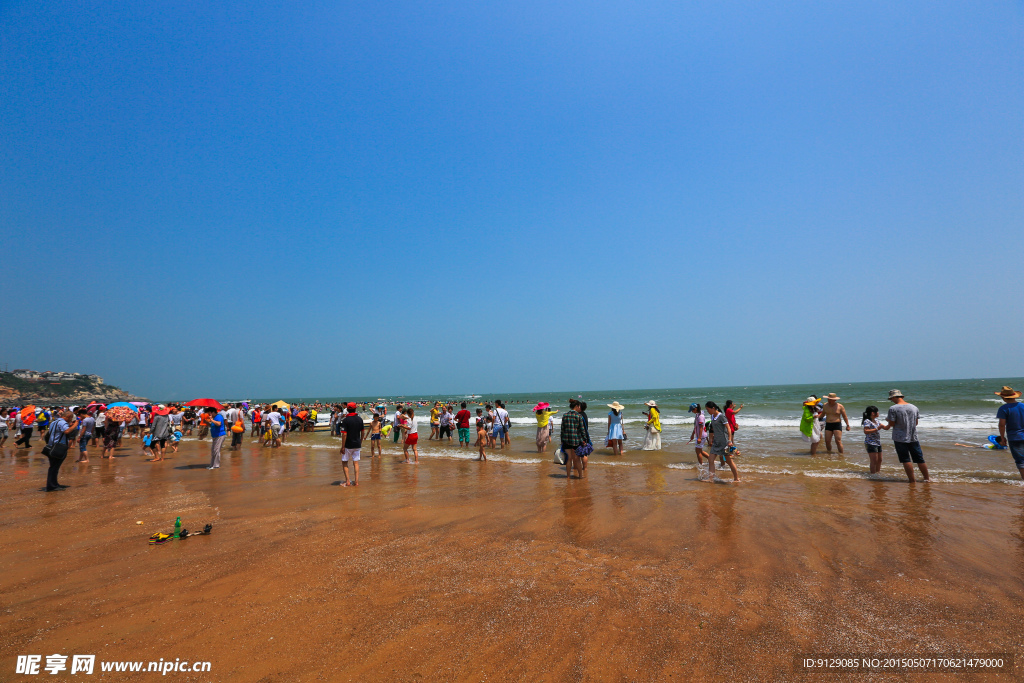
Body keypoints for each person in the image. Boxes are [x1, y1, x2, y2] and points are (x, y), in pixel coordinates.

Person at [884, 389, 929, 483]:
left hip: (899, 437)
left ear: (893, 398)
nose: (891, 400)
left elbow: (892, 423)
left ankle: (912, 481)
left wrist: (888, 421)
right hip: (913, 436)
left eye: (891, 399)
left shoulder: (893, 408)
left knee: (905, 459)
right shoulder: (914, 407)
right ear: (902, 397)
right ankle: (927, 479)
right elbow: (916, 423)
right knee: (920, 459)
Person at [42, 410, 77, 491]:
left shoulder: (54, 422)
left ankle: (54, 484)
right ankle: (51, 486)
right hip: (59, 447)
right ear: (68, 417)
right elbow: (67, 431)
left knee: (54, 466)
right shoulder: (62, 423)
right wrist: (75, 425)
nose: (71, 420)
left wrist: (69, 425)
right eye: (71, 418)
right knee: (54, 467)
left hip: (51, 446)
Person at [995, 386, 1024, 481]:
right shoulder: (1022, 406)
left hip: (1015, 437)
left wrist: (1002, 438)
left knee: (1020, 461)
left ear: (1003, 398)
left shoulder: (1003, 408)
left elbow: (1002, 425)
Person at [706, 402, 739, 482]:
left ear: (713, 408)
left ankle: (736, 478)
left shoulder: (721, 416)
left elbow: (728, 429)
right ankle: (711, 478)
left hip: (724, 442)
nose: (708, 411)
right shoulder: (712, 416)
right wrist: (711, 439)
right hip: (716, 442)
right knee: (710, 459)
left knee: (729, 461)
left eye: (708, 409)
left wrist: (730, 441)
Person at [559, 399, 589, 479]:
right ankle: (580, 476)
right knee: (577, 459)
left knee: (569, 459)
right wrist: (585, 440)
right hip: (576, 440)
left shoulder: (565, 415)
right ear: (576, 406)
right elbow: (582, 430)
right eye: (578, 406)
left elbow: (562, 429)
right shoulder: (579, 416)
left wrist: (562, 440)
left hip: (566, 440)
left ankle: (568, 476)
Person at [339, 403, 365, 487]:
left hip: (348, 445)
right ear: (355, 409)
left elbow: (344, 434)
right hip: (357, 444)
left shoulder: (345, 420)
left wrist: (342, 447)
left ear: (347, 409)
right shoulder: (360, 419)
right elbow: (363, 432)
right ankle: (356, 482)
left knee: (344, 462)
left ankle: (348, 481)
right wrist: (360, 441)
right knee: (356, 463)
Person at [862, 406, 888, 474]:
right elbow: (866, 431)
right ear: (873, 413)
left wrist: (891, 422)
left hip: (877, 442)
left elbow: (885, 428)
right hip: (870, 443)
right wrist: (877, 429)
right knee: (874, 461)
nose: (878, 413)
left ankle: (878, 473)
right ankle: (873, 475)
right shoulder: (867, 421)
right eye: (877, 411)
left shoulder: (876, 420)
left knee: (880, 460)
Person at [687, 403, 709, 476]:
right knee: (700, 450)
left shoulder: (700, 417)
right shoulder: (697, 415)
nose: (692, 412)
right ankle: (710, 459)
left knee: (698, 451)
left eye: (692, 410)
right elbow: (696, 426)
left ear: (695, 409)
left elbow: (701, 427)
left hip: (701, 436)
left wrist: (699, 437)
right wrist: (693, 434)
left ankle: (701, 465)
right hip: (699, 435)